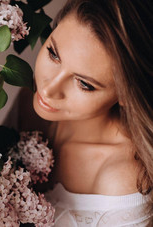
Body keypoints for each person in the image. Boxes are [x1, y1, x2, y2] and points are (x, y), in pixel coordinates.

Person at [15, 0, 153, 226]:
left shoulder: (121, 182)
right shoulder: (28, 103)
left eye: (84, 84)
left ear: (126, 95)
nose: (49, 89)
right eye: (53, 54)